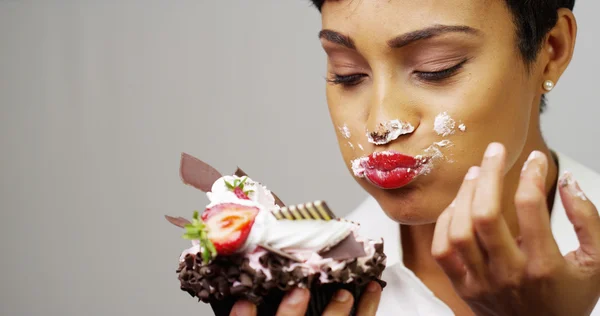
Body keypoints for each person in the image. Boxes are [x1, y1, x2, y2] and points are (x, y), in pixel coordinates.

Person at [230, 0, 600, 315]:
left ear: (552, 49)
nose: (380, 124)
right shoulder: (307, 293)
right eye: (348, 74)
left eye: (436, 68)